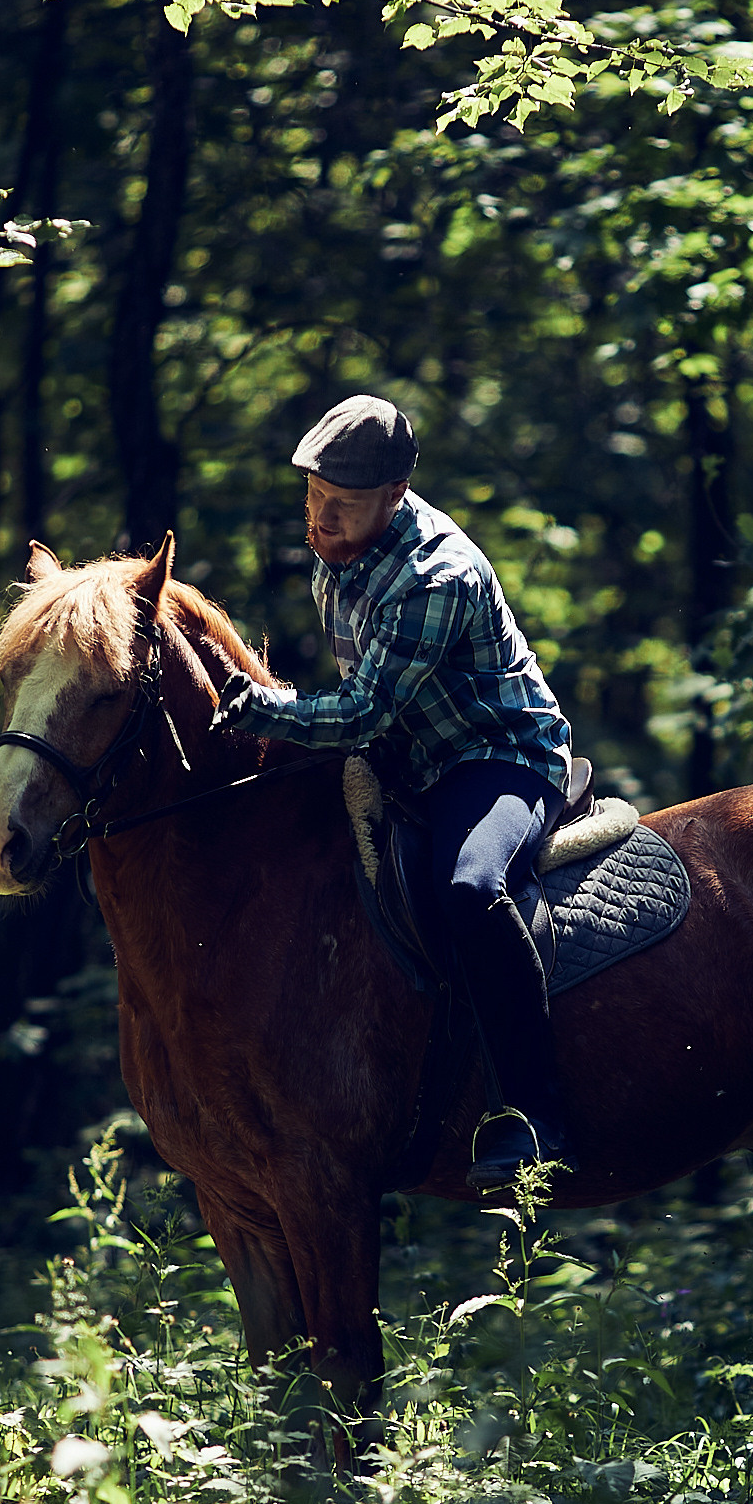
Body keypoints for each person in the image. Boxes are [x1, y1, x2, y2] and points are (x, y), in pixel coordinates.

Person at [212, 394, 573, 1198]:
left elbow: (365, 709)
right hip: (406, 754)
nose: (320, 519)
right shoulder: (337, 547)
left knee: (471, 888)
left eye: (341, 504)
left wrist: (268, 710)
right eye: (312, 498)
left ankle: (538, 1116)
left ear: (396, 494)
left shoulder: (433, 577)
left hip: (494, 756)